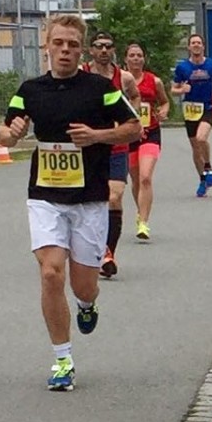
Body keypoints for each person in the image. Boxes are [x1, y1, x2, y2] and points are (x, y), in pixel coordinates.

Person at [0, 14, 141, 390]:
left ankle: (87, 304)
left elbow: (134, 128)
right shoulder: (30, 90)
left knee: (84, 286)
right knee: (50, 273)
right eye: (58, 43)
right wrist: (11, 133)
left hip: (89, 200)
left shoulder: (101, 88)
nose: (65, 50)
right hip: (45, 196)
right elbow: (5, 132)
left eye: (72, 45)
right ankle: (63, 360)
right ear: (47, 46)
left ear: (82, 51)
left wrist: (96, 136)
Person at [82, 32, 140, 277]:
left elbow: (135, 96)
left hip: (116, 145)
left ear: (114, 50)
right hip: (88, 147)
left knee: (114, 197)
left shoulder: (124, 77)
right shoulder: (81, 74)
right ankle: (88, 247)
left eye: (108, 46)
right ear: (91, 50)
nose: (104, 50)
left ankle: (108, 254)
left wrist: (129, 119)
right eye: (99, 46)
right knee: (89, 200)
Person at [124, 42, 170, 239]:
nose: (136, 59)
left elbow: (165, 102)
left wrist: (163, 111)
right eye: (132, 55)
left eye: (139, 55)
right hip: (128, 135)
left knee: (145, 177)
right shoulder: (120, 80)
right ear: (125, 59)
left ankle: (143, 223)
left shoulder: (154, 81)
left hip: (150, 133)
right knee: (135, 179)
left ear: (144, 59)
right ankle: (140, 211)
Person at [171, 33, 212, 197]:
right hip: (190, 110)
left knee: (201, 139)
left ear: (203, 46)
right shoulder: (182, 67)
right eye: (193, 43)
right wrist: (182, 89)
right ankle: (203, 179)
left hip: (207, 107)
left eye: (199, 43)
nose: (196, 45)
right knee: (195, 146)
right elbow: (173, 89)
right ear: (189, 47)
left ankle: (208, 167)